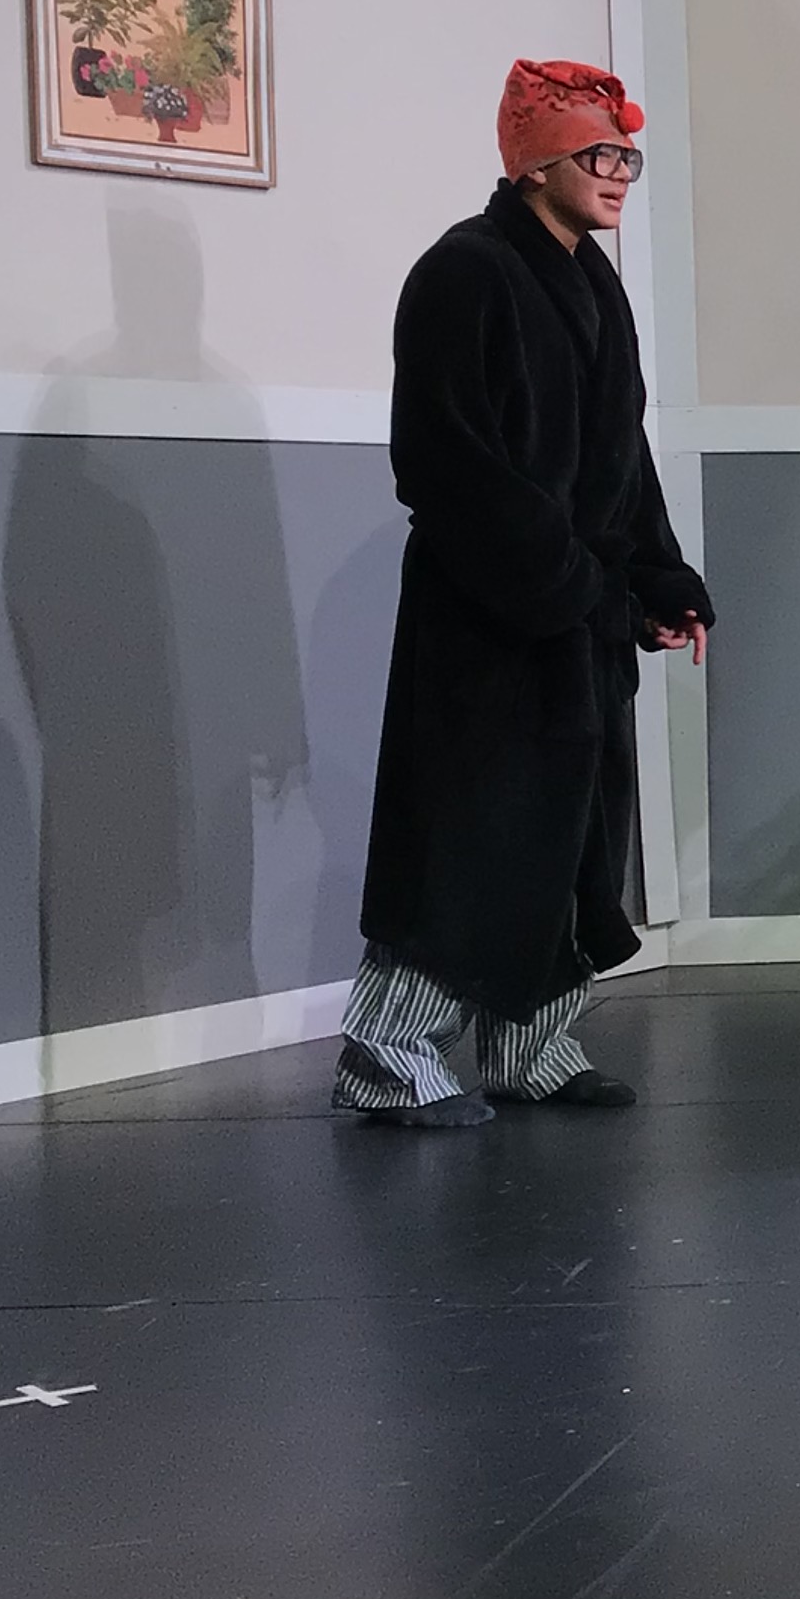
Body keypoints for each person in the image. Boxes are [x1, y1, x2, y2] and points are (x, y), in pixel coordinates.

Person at [329, 60, 712, 1126]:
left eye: (628, 156)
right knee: (474, 834)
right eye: (601, 154)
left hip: (576, 614)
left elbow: (622, 455)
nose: (621, 172)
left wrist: (658, 577)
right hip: (488, 617)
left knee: (571, 833)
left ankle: (526, 1045)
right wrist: (564, 579)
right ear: (535, 164)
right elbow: (442, 459)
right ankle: (386, 1051)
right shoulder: (463, 272)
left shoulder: (595, 283)